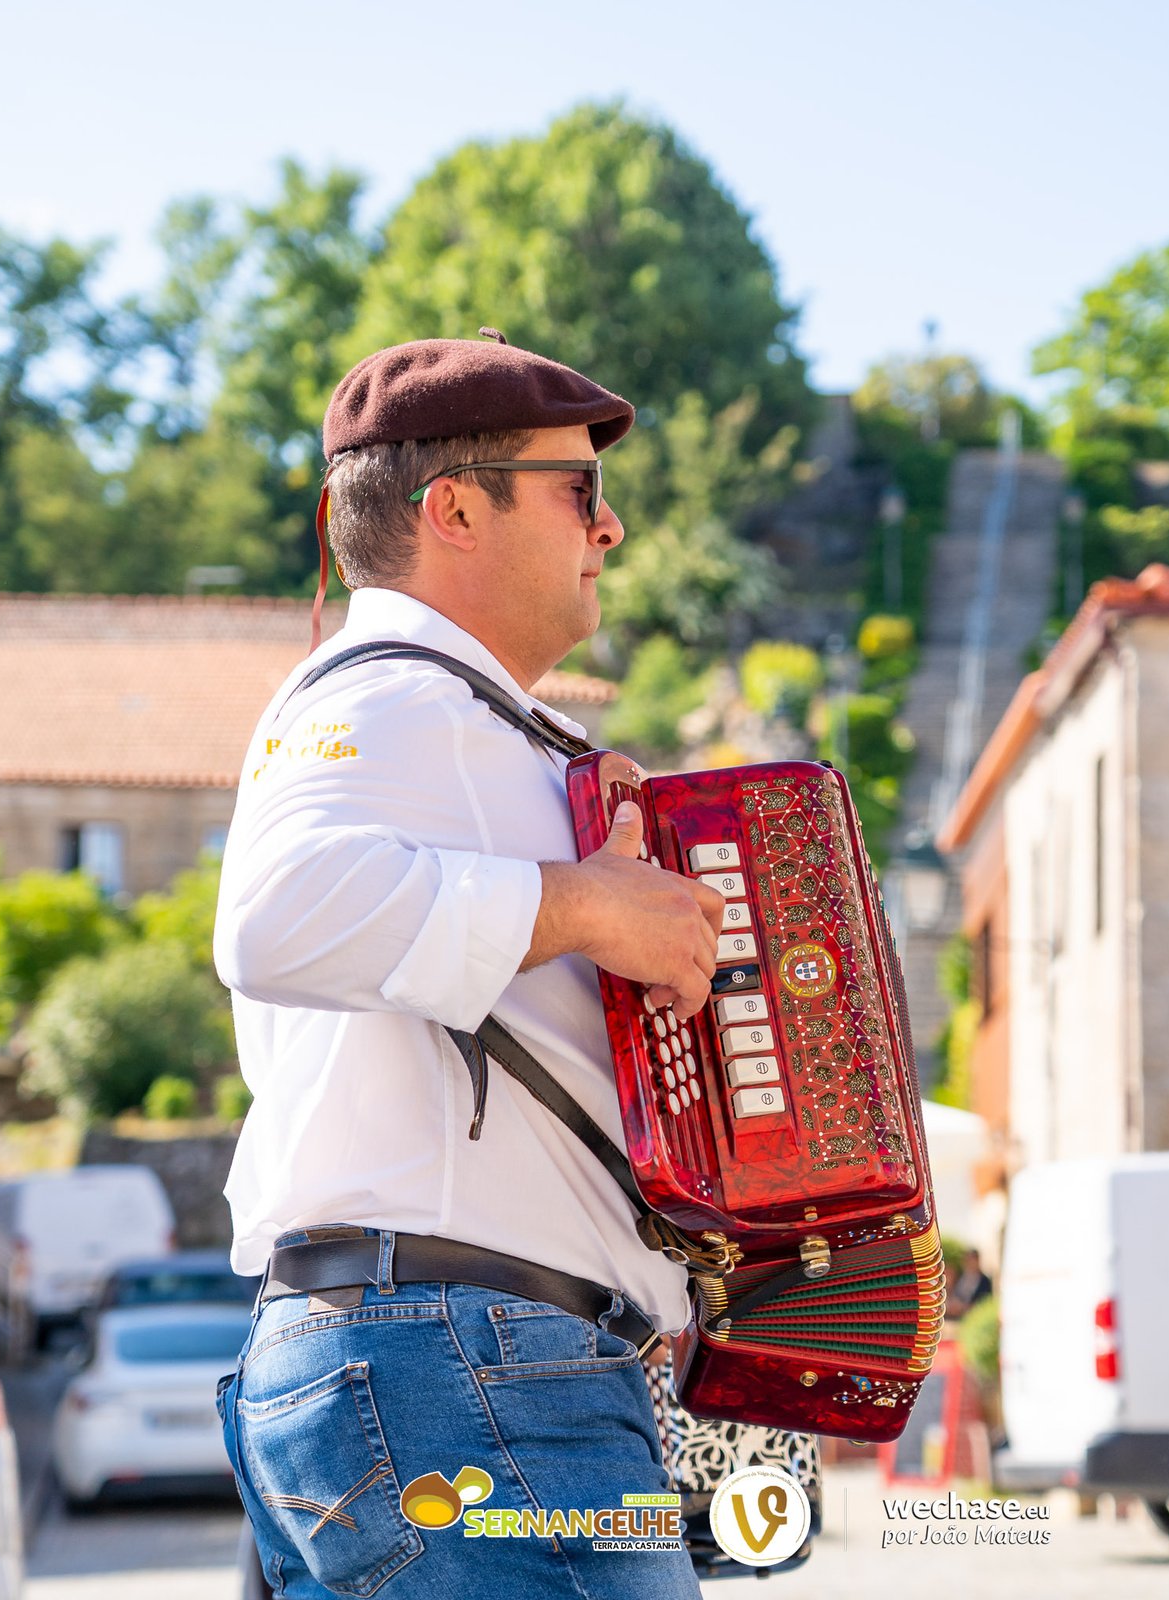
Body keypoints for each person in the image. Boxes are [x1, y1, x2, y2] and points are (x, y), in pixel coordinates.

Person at [212, 334, 725, 1600]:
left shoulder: (453, 718)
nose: (608, 531)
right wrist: (591, 909)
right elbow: (273, 918)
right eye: (580, 490)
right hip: (458, 1362)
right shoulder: (395, 696)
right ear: (454, 508)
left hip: (442, 1358)